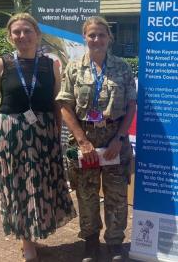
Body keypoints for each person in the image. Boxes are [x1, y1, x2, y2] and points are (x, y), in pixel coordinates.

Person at [0, 13, 76, 262]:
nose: (22, 36)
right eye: (17, 32)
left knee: (39, 185)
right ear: (10, 36)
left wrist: (58, 136)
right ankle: (26, 242)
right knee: (18, 186)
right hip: (11, 135)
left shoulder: (51, 64)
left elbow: (58, 105)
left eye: (27, 31)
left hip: (44, 134)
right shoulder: (0, 64)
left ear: (37, 34)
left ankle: (34, 231)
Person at [56, 16, 136, 262]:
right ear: (85, 37)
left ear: (109, 38)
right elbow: (65, 106)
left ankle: (114, 244)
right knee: (86, 193)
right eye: (92, 35)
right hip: (85, 143)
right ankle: (90, 242)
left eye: (101, 35)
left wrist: (119, 139)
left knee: (117, 195)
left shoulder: (122, 68)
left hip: (114, 143)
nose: (97, 39)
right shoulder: (73, 67)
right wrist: (82, 141)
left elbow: (132, 105)